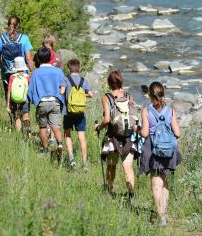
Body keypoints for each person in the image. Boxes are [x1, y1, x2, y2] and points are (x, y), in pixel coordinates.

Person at [139, 82, 182, 227]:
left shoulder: (146, 110)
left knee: (156, 183)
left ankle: (161, 217)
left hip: (153, 149)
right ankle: (164, 212)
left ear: (150, 95)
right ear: (163, 93)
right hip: (169, 150)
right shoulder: (171, 110)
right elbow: (178, 133)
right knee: (164, 180)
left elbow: (144, 133)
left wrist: (137, 129)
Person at [95, 70, 137, 199]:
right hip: (128, 137)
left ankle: (109, 189)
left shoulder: (106, 97)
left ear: (109, 83)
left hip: (113, 137)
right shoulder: (129, 97)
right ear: (121, 82)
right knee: (128, 166)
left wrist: (98, 127)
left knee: (111, 165)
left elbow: (107, 119)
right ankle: (131, 193)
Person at [27, 47, 65, 160]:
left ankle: (45, 150)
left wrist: (32, 101)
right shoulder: (58, 71)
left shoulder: (36, 73)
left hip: (42, 102)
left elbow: (31, 90)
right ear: (50, 57)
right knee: (56, 126)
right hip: (55, 102)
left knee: (42, 127)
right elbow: (64, 86)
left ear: (38, 58)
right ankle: (59, 144)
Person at [60, 59, 93, 170]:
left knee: (67, 134)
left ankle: (71, 159)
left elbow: (62, 92)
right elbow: (91, 94)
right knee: (82, 137)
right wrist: (83, 95)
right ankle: (84, 162)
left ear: (69, 69)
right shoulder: (84, 81)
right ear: (79, 69)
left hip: (68, 112)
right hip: (80, 112)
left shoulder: (66, 79)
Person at [0, 15, 34, 102]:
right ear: (18, 25)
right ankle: (21, 114)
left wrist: (3, 67)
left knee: (9, 97)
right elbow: (29, 59)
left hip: (7, 73)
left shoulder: (0, 39)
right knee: (23, 97)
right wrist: (32, 72)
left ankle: (12, 113)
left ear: (8, 25)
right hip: (22, 74)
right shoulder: (24, 38)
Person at [6, 57, 31, 134]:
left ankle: (19, 135)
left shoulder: (12, 77)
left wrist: (8, 104)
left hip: (14, 99)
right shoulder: (27, 77)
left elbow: (9, 90)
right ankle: (27, 132)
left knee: (17, 117)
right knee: (25, 116)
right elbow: (29, 90)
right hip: (25, 99)